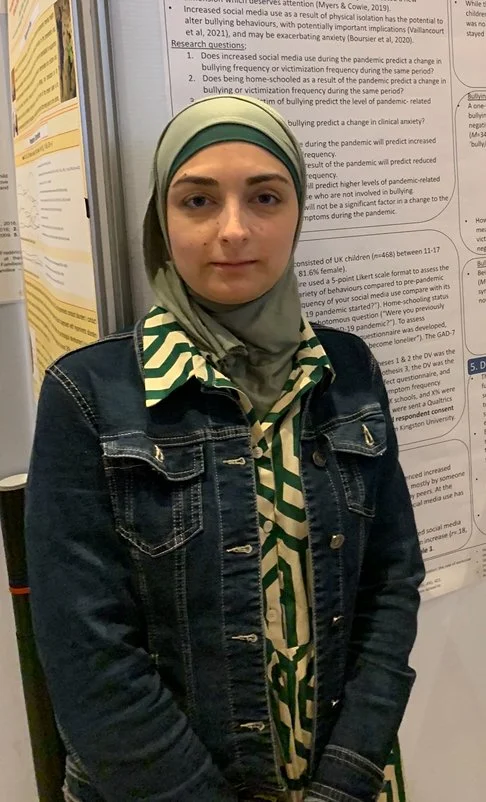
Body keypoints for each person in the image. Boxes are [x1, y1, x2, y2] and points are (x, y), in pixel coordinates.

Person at [25, 95, 425, 802]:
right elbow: (88, 657)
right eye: (198, 200)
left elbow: (391, 584)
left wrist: (346, 779)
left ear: (297, 213)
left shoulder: (348, 370)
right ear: (162, 220)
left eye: (265, 197)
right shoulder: (89, 395)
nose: (233, 230)